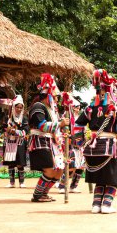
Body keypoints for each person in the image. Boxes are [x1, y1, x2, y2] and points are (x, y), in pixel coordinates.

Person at [75, 69, 117, 214]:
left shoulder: (90, 108)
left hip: (91, 149)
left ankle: (96, 205)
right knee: (112, 178)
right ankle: (106, 205)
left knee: (100, 177)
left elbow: (77, 126)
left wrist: (81, 143)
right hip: (108, 148)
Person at [28, 73, 69, 202]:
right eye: (56, 97)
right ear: (49, 96)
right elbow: (42, 126)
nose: (57, 100)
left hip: (52, 143)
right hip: (40, 142)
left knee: (59, 171)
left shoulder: (51, 110)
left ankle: (44, 193)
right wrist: (60, 124)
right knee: (50, 170)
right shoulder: (38, 106)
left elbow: (54, 127)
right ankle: (37, 195)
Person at [57, 100, 85, 194]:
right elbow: (60, 129)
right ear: (71, 107)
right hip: (69, 144)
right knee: (71, 165)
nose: (77, 109)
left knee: (81, 166)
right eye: (75, 107)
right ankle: (62, 185)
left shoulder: (81, 117)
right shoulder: (66, 116)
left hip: (80, 145)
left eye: (78, 107)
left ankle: (73, 186)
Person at [3, 95, 29, 188]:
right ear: (13, 107)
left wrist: (16, 131)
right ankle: (11, 182)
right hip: (9, 142)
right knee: (11, 162)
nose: (19, 109)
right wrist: (8, 129)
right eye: (17, 107)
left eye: (20, 108)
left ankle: (21, 182)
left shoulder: (24, 119)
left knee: (19, 162)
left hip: (20, 143)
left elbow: (26, 130)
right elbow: (3, 128)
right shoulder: (8, 118)